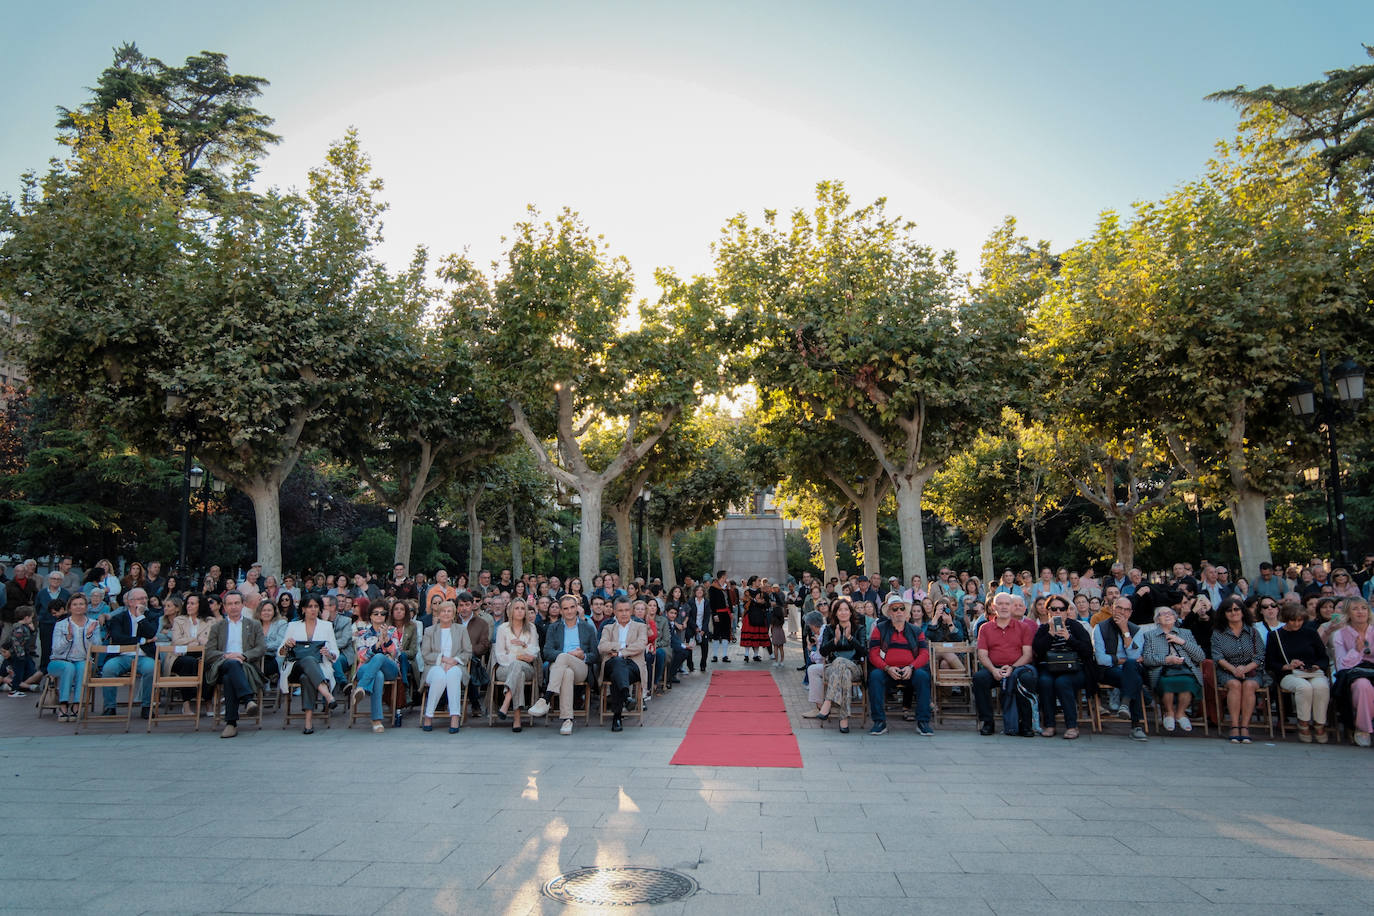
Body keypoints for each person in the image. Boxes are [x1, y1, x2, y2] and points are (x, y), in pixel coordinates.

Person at [529, 595, 600, 734]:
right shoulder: (553, 628)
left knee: (563, 658)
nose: (569, 611)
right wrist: (567, 655)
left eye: (572, 607)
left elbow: (596, 655)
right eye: (565, 608)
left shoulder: (587, 628)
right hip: (560, 668)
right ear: (560, 611)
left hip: (581, 667)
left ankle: (546, 698)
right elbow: (547, 652)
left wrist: (583, 655)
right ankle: (567, 720)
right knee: (567, 672)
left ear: (577, 608)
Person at [1265, 600, 1331, 744]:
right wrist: (1287, 666)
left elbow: (1323, 658)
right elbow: (1270, 663)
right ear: (1286, 619)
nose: (1296, 624)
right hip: (1289, 674)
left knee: (1321, 687)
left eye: (1299, 620)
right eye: (1292, 620)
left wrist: (1316, 666)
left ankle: (1320, 724)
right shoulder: (1275, 636)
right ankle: (1304, 723)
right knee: (1304, 688)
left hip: (1312, 672)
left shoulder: (1311, 633)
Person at [866, 596, 933, 736]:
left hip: (910, 670)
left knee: (922, 676)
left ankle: (923, 722)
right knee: (875, 676)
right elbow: (873, 654)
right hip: (887, 670)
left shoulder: (916, 631)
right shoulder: (879, 629)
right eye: (895, 609)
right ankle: (879, 722)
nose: (899, 611)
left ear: (906, 612)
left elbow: (924, 654)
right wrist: (887, 668)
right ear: (890, 612)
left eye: (902, 608)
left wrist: (912, 667)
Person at [1032, 596, 1095, 739]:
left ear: (1067, 611)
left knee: (1062, 682)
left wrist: (1069, 638)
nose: (1058, 612)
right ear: (1048, 611)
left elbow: (1087, 650)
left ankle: (1072, 726)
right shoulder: (1044, 629)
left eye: (1062, 609)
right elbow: (1037, 651)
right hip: (1050, 668)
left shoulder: (1076, 626)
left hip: (1074, 669)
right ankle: (1050, 724)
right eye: (1054, 609)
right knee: (1045, 682)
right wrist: (1050, 634)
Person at [973, 593, 1036, 737]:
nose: (1004, 607)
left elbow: (1027, 654)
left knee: (1027, 679)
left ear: (1012, 607)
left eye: (1007, 604)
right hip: (993, 667)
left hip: (1017, 667)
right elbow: (982, 654)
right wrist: (993, 669)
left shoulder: (1023, 627)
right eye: (1000, 604)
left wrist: (1012, 668)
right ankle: (988, 722)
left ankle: (1026, 724)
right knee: (979, 678)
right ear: (994, 607)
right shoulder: (985, 628)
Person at [204, 591, 265, 739]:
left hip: (245, 666)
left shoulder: (254, 625)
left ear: (243, 604)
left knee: (229, 677)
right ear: (224, 607)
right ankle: (248, 700)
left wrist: (243, 656)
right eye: (230, 604)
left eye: (237, 603)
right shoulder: (218, 627)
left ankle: (231, 724)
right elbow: (209, 652)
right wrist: (226, 655)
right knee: (231, 665)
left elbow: (261, 648)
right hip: (222, 664)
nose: (233, 607)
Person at [278, 595, 339, 734]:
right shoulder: (293, 626)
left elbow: (335, 652)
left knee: (307, 677)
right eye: (310, 606)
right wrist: (287, 645)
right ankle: (327, 695)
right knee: (308, 659)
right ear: (304, 609)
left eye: (316, 606)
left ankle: (308, 722)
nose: (313, 610)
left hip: (318, 667)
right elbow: (280, 652)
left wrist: (328, 653)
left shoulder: (327, 626)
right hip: (295, 667)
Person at [1210, 597, 1267, 744]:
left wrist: (1245, 668)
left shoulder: (1253, 632)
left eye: (1237, 609)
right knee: (1234, 685)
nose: (1233, 612)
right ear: (1224, 613)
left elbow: (1260, 655)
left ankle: (1245, 726)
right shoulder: (1218, 633)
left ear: (1242, 612)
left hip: (1252, 669)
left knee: (1248, 685)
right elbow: (1217, 657)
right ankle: (1234, 725)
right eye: (1229, 610)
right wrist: (1234, 670)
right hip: (1227, 670)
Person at [1141, 606, 1205, 732]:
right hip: (1162, 671)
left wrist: (1182, 642)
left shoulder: (1186, 633)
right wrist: (1166, 660)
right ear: (1157, 620)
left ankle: (1181, 713)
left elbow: (1200, 657)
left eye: (1170, 613)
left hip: (1185, 670)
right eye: (1162, 614)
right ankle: (1169, 712)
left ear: (1175, 617)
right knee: (1167, 682)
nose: (1167, 615)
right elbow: (1147, 659)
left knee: (1188, 681)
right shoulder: (1150, 636)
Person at [1092, 596, 1148, 740]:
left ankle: (1125, 703)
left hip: (1130, 669)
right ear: (1112, 609)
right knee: (1134, 679)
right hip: (1108, 671)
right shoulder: (1100, 628)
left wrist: (1125, 631)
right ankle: (1136, 726)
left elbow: (1134, 655)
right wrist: (1122, 661)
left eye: (1126, 610)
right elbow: (1101, 659)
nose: (1122, 612)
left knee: (1131, 668)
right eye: (1119, 608)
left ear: (1130, 613)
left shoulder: (1136, 630)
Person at [809, 599, 867, 733]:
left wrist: (850, 638)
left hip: (855, 667)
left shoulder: (860, 629)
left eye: (846, 609)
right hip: (832, 669)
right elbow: (823, 652)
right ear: (835, 613)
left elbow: (864, 651)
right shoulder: (829, 629)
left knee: (841, 662)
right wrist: (834, 641)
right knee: (842, 670)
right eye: (840, 610)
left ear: (851, 613)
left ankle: (828, 702)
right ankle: (843, 719)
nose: (843, 612)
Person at [101, 588, 158, 718]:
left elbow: (151, 633)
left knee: (151, 669)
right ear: (130, 602)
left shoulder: (152, 616)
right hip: (121, 655)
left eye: (145, 598)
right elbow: (117, 638)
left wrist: (140, 617)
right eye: (140, 599)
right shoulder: (118, 618)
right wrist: (142, 640)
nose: (144, 601)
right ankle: (110, 706)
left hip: (144, 656)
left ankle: (146, 707)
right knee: (108, 669)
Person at [420, 599, 472, 734]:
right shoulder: (429, 631)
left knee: (452, 674)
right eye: (443, 611)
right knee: (439, 676)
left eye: (449, 611)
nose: (446, 614)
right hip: (433, 666)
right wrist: (442, 660)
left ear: (454, 614)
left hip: (456, 666)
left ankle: (455, 716)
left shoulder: (461, 630)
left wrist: (454, 661)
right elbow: (425, 654)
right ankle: (429, 715)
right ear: (438, 613)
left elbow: (467, 651)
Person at [598, 597, 647, 731]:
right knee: (617, 666)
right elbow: (602, 646)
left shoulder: (640, 626)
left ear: (631, 611)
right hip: (612, 664)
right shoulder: (608, 628)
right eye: (620, 610)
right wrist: (623, 645)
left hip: (633, 665)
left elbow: (641, 644)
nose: (624, 613)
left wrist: (620, 651)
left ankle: (617, 717)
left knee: (617, 675)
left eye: (626, 610)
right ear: (614, 611)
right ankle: (626, 698)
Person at [351, 604, 401, 733]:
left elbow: (395, 654)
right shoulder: (363, 633)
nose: (379, 616)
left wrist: (386, 640)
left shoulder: (392, 630)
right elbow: (362, 657)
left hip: (389, 668)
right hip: (367, 668)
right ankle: (376, 721)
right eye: (376, 613)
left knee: (379, 657)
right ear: (370, 616)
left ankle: (361, 687)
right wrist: (377, 644)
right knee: (378, 675)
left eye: (382, 613)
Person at [1331, 598, 1374, 747]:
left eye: (1364, 608)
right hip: (1353, 675)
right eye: (1355, 609)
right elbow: (1341, 664)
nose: (1360, 612)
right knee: (1362, 685)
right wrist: (1356, 650)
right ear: (1348, 613)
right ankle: (1363, 728)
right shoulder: (1340, 634)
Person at [48, 594, 98, 721]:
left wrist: (89, 635)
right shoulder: (61, 624)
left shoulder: (93, 623)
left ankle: (77, 704)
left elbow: (97, 647)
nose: (78, 607)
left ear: (86, 607)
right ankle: (63, 704)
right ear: (69, 608)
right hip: (59, 661)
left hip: (82, 659)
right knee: (69, 667)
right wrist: (68, 637)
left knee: (83, 667)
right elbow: (56, 649)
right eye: (75, 604)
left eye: (81, 604)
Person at [493, 598, 540, 731]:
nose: (519, 611)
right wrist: (519, 656)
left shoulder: (531, 628)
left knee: (518, 667)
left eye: (522, 608)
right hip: (504, 668)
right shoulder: (503, 628)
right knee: (517, 669)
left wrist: (524, 645)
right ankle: (517, 718)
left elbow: (534, 652)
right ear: (510, 611)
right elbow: (500, 656)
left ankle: (506, 702)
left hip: (527, 668)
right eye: (516, 608)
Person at [168, 592, 212, 714]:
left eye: (192, 603)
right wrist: (197, 640)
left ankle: (208, 702)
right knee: (189, 663)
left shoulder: (210, 621)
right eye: (187, 603)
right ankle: (186, 704)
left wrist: (190, 642)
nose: (188, 606)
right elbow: (176, 641)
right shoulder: (179, 620)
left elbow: (211, 642)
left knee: (206, 664)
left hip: (202, 655)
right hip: (180, 655)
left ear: (200, 605)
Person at [256, 597, 287, 685]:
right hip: (256, 658)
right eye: (263, 610)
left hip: (274, 657)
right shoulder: (254, 624)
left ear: (274, 612)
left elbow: (279, 642)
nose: (266, 613)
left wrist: (261, 647)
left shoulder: (281, 623)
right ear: (259, 612)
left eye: (269, 610)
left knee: (259, 667)